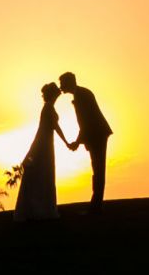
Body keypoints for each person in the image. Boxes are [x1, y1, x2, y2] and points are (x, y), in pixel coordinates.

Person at [14, 82, 70, 221]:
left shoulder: (48, 107)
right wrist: (67, 142)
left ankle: (41, 209)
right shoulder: (48, 108)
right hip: (44, 146)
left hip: (46, 145)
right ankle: (41, 210)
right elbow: (55, 127)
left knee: (43, 176)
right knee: (43, 175)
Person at [59, 71, 112, 212]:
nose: (61, 87)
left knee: (98, 168)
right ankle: (96, 204)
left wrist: (77, 142)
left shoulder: (81, 95)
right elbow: (85, 123)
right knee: (97, 168)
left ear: (68, 82)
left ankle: (96, 206)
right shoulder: (81, 94)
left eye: (62, 84)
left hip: (97, 134)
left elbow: (86, 122)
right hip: (95, 134)